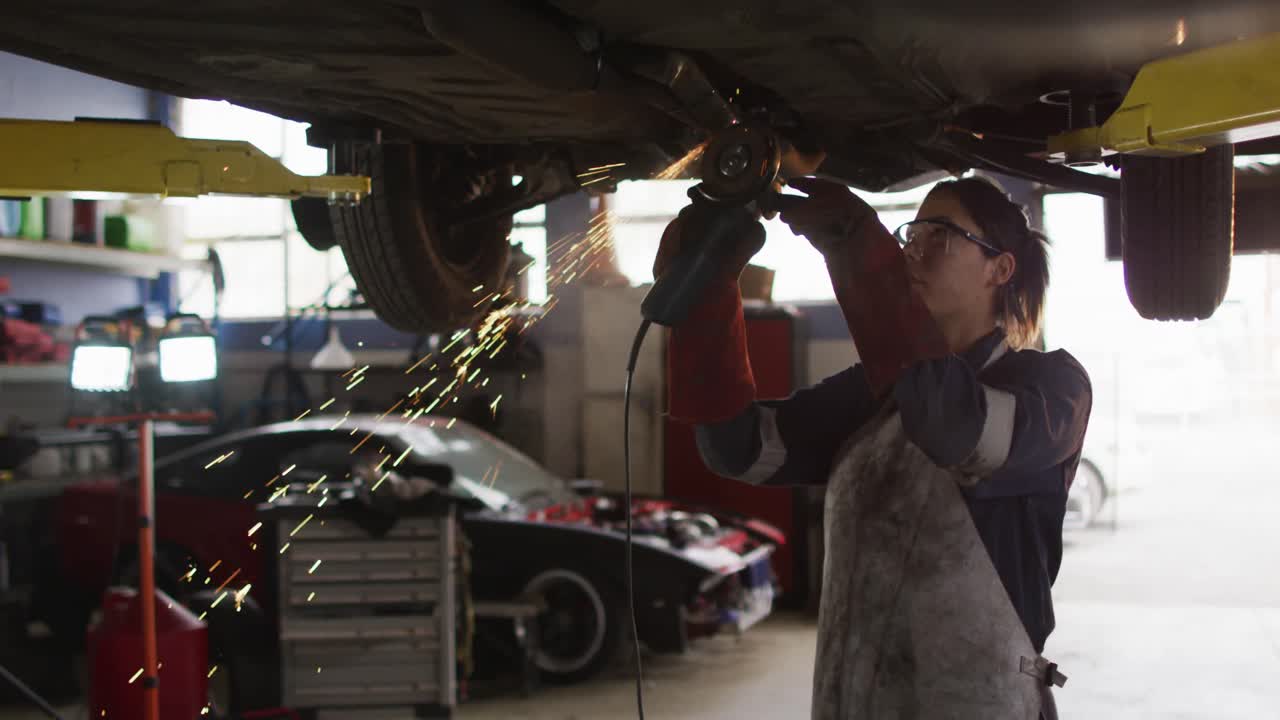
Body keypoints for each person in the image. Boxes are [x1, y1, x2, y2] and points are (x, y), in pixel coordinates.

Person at [657, 175, 1091, 720]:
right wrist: (707, 290)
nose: (913, 250)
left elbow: (954, 428)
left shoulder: (1052, 387)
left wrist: (854, 248)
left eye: (942, 235)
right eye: (911, 234)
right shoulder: (873, 392)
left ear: (999, 269)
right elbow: (738, 447)